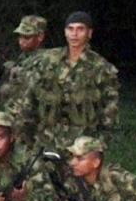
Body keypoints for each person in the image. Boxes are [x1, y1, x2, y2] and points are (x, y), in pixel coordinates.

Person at [12, 11, 119, 153]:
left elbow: (109, 114)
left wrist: (98, 147)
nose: (74, 34)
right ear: (65, 32)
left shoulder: (102, 69)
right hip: (44, 143)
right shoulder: (46, 61)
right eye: (70, 29)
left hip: (81, 147)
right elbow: (28, 100)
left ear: (89, 33)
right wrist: (25, 137)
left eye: (80, 29)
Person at [0, 14, 47, 114]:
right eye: (20, 36)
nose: (22, 41)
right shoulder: (20, 60)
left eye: (27, 37)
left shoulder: (46, 61)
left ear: (40, 37)